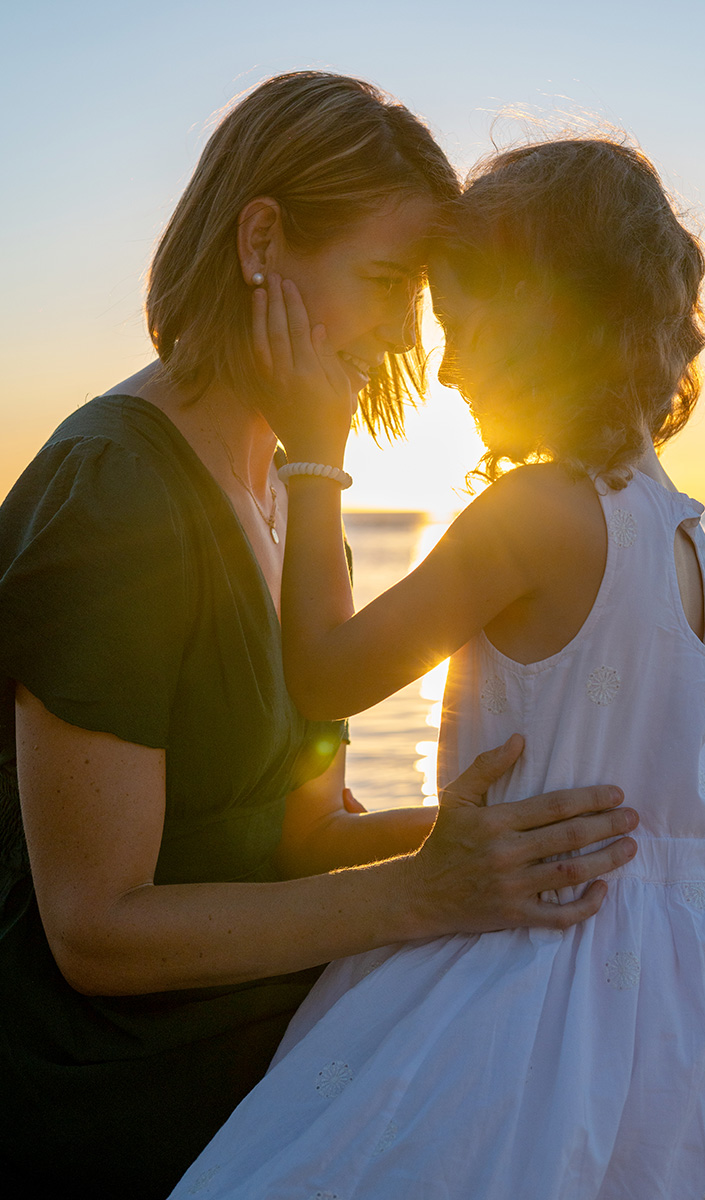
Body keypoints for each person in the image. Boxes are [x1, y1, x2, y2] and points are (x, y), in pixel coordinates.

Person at [0, 75, 638, 1199]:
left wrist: (506, 847)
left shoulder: (295, 490)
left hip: (278, 1078)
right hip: (117, 1115)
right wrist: (423, 893)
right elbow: (92, 928)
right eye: (388, 284)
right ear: (261, 242)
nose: (406, 333)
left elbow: (298, 838)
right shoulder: (116, 493)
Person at [168, 136, 705, 1199]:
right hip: (687, 996)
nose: (446, 369)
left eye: (462, 329)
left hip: (532, 983)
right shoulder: (676, 525)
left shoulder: (533, 515)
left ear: (550, 318)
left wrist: (315, 454)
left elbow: (322, 675)